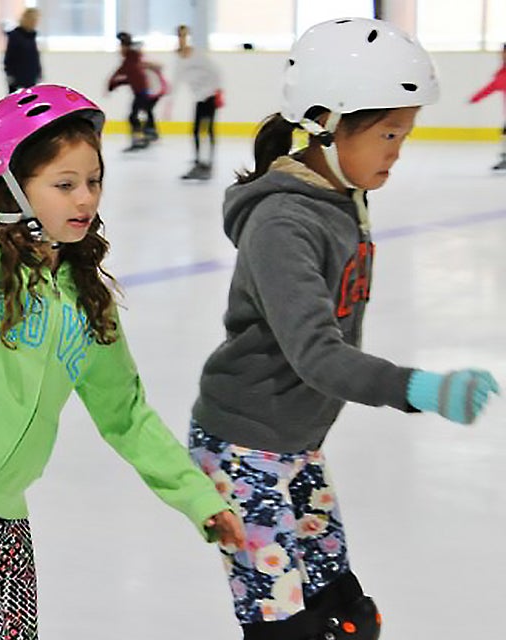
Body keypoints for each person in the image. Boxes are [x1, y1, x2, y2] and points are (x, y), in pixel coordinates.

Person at [0, 26, 245, 640]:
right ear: (8, 187)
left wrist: (198, 499)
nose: (85, 198)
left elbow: (124, 415)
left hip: (4, 506)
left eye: (93, 181)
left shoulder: (82, 298)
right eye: (65, 184)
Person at [186, 18, 500, 640]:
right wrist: (421, 388)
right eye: (388, 133)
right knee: (291, 629)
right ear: (327, 125)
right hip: (244, 447)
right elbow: (317, 355)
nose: (397, 151)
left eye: (404, 135)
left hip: (297, 442)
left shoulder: (340, 196)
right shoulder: (282, 223)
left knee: (350, 615)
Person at [174, 25, 222, 181]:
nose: (181, 39)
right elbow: (177, 79)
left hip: (209, 96)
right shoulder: (180, 58)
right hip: (199, 98)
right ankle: (199, 162)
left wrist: (215, 91)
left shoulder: (198, 56)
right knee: (196, 130)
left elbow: (215, 72)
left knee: (207, 130)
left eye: (183, 35)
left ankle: (207, 164)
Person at [108, 32, 157, 151]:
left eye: (121, 46)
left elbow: (123, 74)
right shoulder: (133, 58)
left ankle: (144, 137)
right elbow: (127, 77)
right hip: (142, 92)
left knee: (134, 116)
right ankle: (145, 136)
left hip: (143, 92)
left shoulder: (131, 59)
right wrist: (114, 83)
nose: (119, 50)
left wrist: (112, 84)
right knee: (139, 114)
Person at [468, 43, 506, 171]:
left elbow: (494, 85)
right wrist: (476, 98)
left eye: (503, 52)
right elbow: (492, 86)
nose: (501, 55)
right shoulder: (502, 72)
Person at [3, 7, 42, 92]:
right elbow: (9, 57)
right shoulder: (15, 36)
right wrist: (10, 75)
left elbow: (34, 57)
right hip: (17, 78)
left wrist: (38, 73)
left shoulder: (32, 36)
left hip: (31, 77)